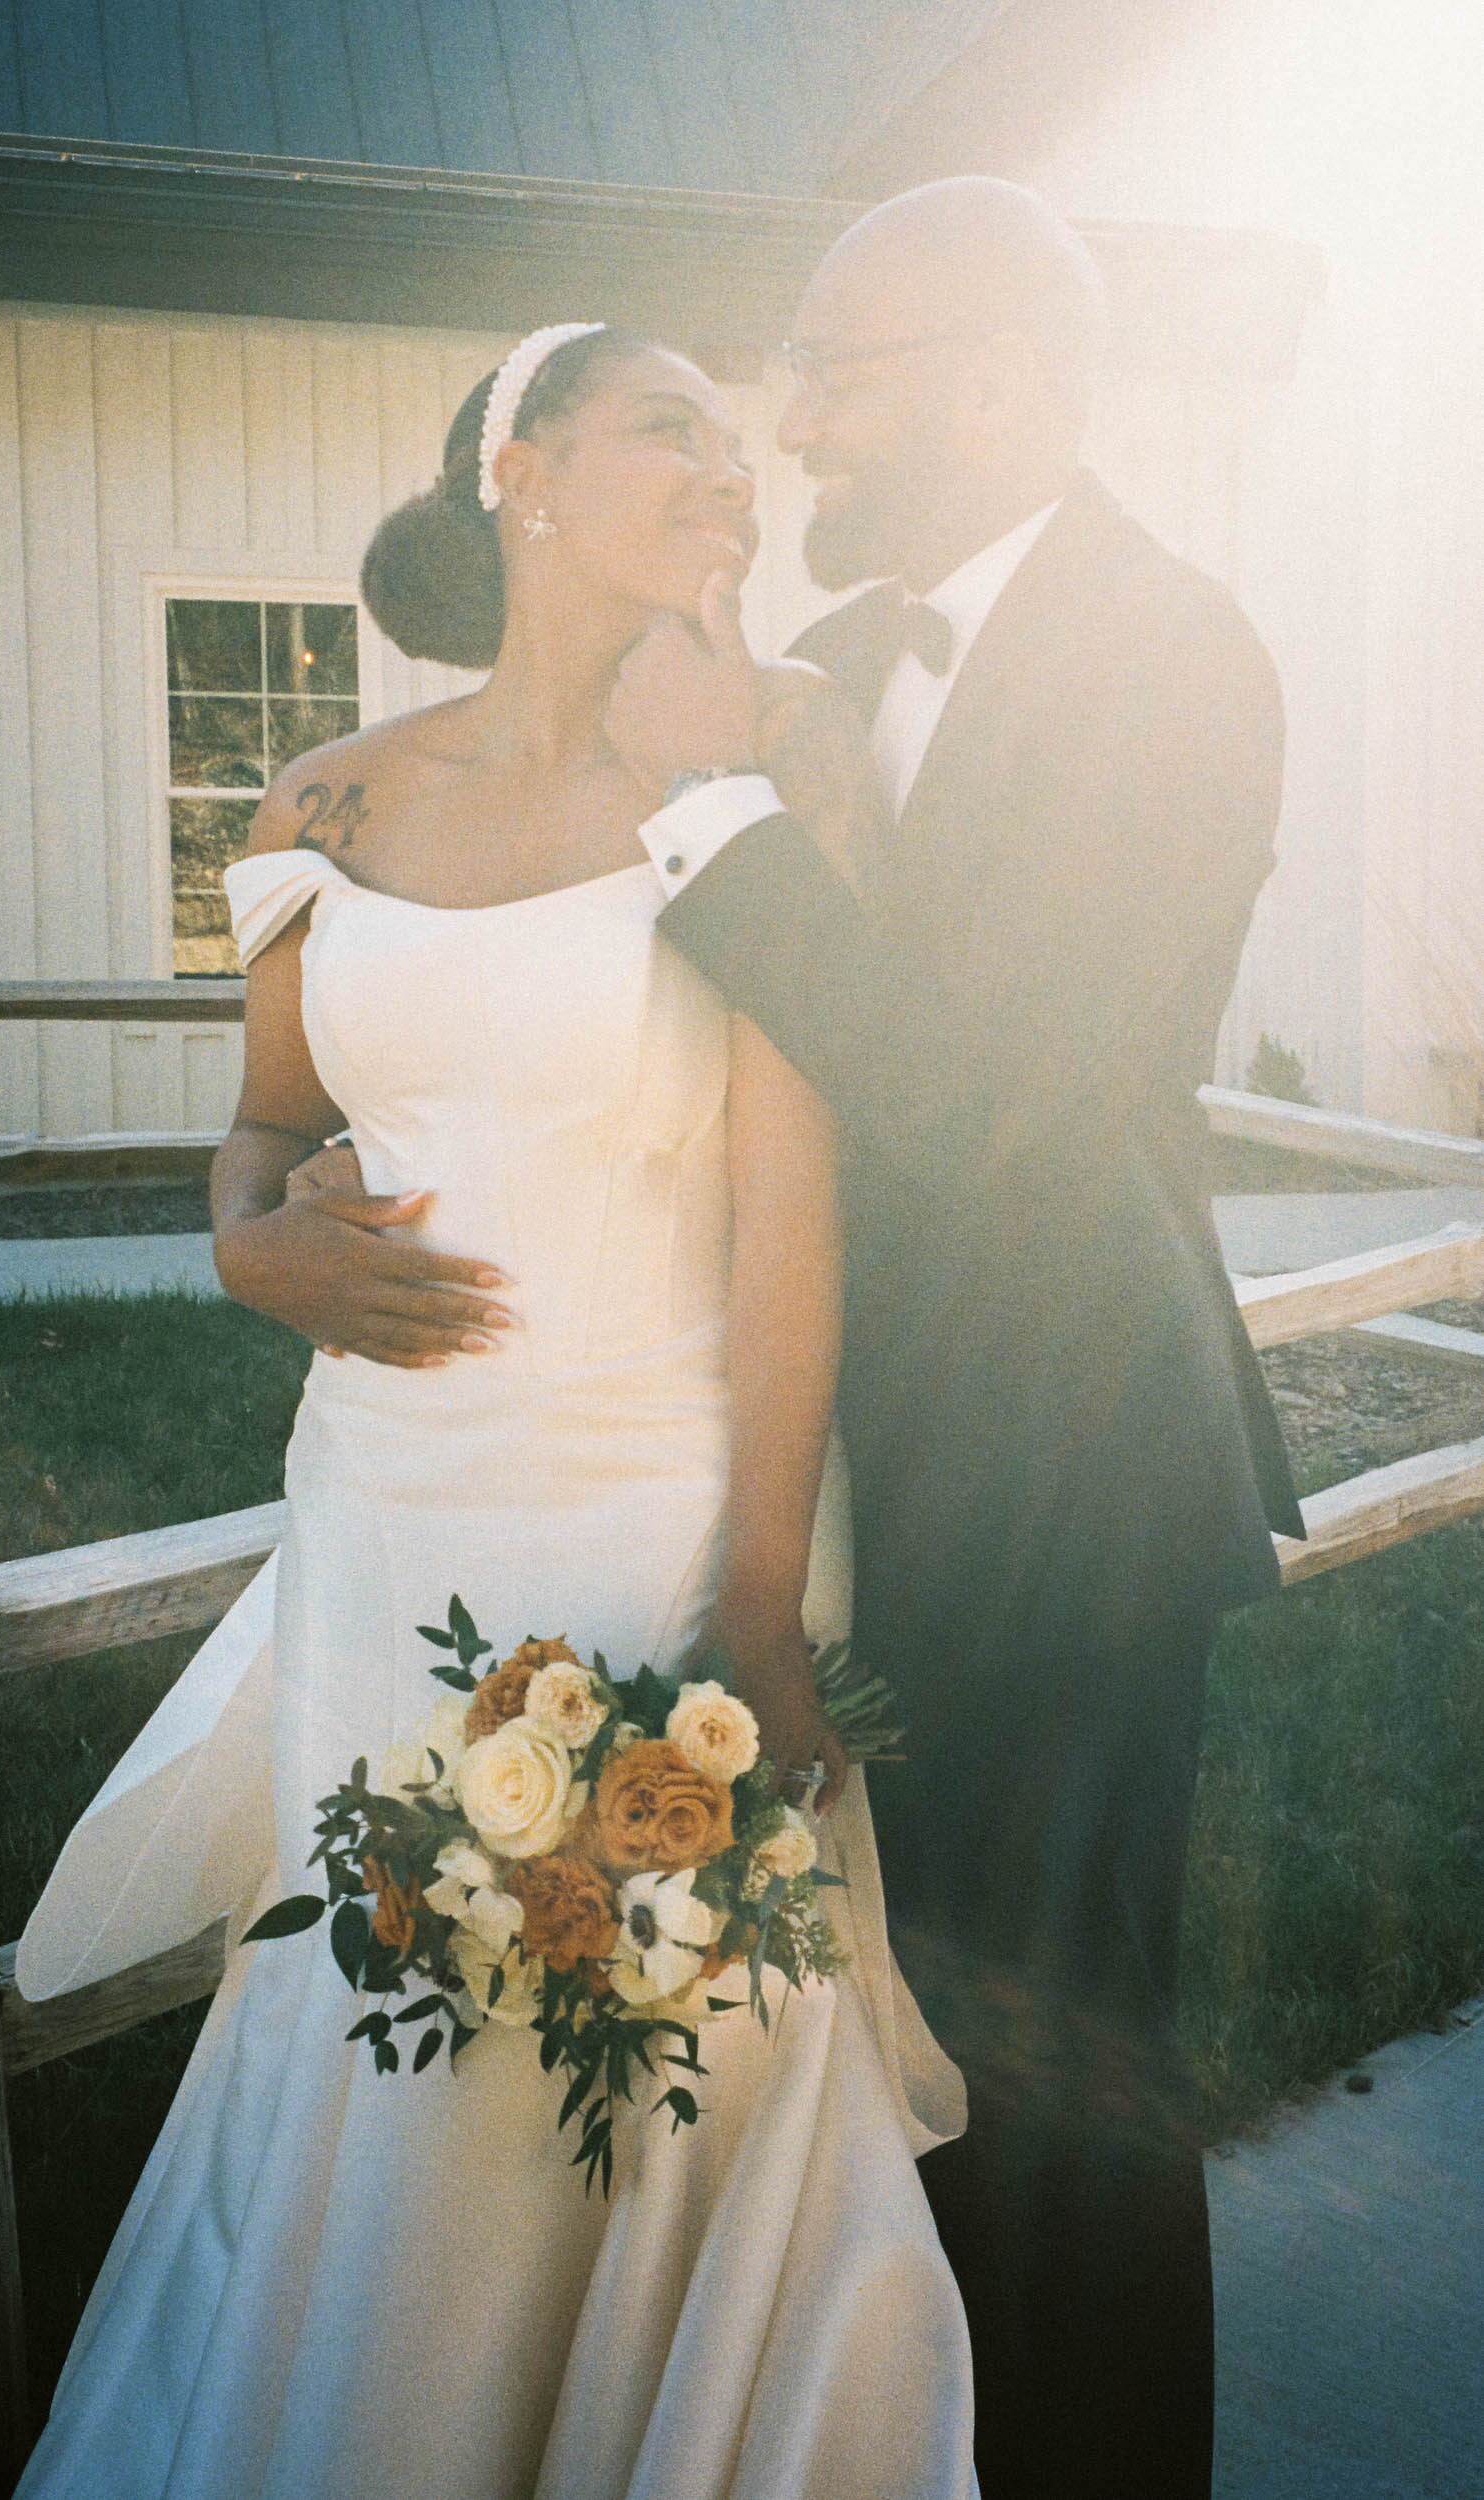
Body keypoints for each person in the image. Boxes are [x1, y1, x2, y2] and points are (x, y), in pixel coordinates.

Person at [11, 324, 976, 2500]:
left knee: (651, 2040)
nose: (728, 469)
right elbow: (261, 1136)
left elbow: (794, 1212)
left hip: (660, 1502)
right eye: (670, 431)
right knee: (385, 2014)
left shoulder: (777, 753)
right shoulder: (324, 802)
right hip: (380, 1510)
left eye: (739, 444)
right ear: (517, 474)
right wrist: (251, 1246)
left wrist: (757, 1592)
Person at [601, 180, 1306, 2499]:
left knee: (1049, 2077)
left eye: (839, 368)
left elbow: (995, 1090)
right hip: (854, 1478)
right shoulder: (839, 669)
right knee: (865, 2071)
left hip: (1064, 1478)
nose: (793, 424)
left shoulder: (1173, 652)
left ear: (1003, 378)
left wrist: (715, 798)